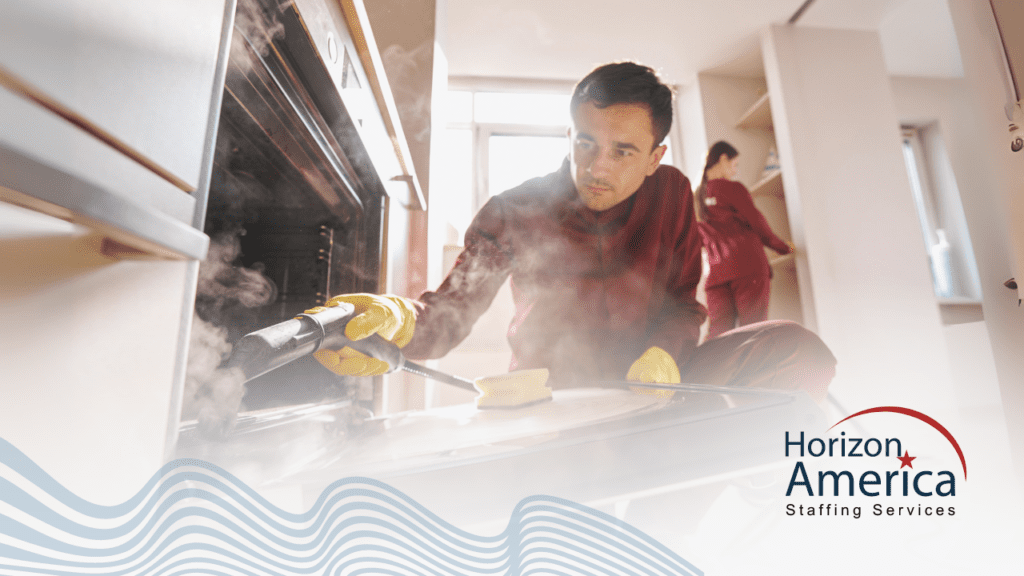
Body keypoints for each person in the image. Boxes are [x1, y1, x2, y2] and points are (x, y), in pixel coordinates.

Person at [309, 62, 835, 401]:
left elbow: (683, 303)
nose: (596, 168)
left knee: (798, 349)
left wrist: (665, 355)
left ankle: (680, 514)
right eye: (585, 142)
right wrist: (397, 321)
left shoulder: (673, 193)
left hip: (653, 376)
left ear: (656, 158)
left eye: (623, 151)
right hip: (553, 389)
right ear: (570, 133)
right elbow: (447, 318)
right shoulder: (513, 210)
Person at [695, 141, 794, 339]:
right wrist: (782, 247)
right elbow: (757, 222)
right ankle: (754, 371)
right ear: (723, 159)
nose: (735, 170)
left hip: (716, 274)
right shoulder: (731, 189)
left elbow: (696, 241)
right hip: (748, 268)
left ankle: (710, 371)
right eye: (734, 164)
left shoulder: (694, 197)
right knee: (753, 332)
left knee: (717, 336)